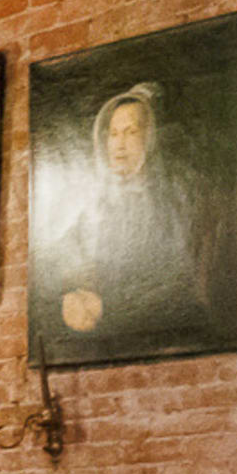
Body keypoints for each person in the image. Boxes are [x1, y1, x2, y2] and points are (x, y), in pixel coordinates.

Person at [43, 80, 226, 353]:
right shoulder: (93, 205)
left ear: (151, 138)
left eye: (130, 132)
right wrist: (71, 292)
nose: (119, 144)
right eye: (114, 133)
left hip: (165, 341)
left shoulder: (175, 199)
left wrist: (109, 306)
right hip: (99, 344)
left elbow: (181, 282)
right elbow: (59, 264)